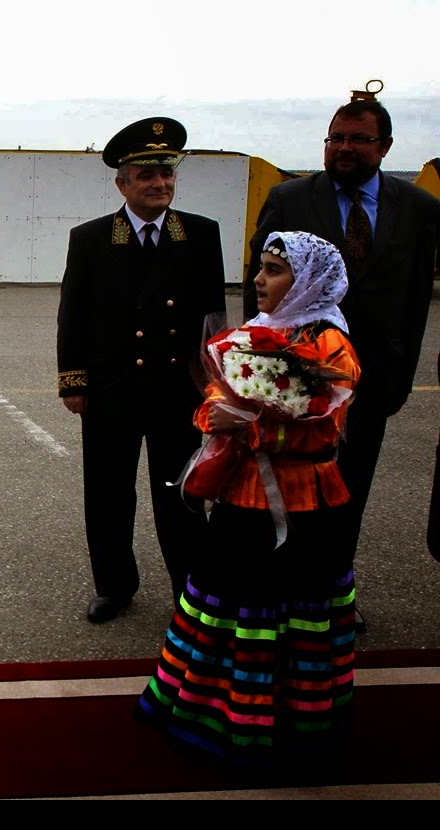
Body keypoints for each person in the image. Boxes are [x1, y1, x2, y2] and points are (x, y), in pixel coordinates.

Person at [138, 231, 361, 777]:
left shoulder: (329, 343)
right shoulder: (257, 333)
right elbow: (218, 396)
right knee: (228, 596)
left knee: (291, 604)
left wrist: (260, 428)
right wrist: (217, 415)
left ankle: (283, 721)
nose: (258, 280)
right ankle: (211, 709)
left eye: (274, 270)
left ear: (308, 281)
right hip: (245, 496)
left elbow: (327, 430)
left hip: (302, 500)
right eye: (259, 268)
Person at [243, 92, 440, 632]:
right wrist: (256, 374)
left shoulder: (419, 209)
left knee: (348, 494)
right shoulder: (289, 197)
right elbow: (257, 288)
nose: (343, 149)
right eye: (335, 138)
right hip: (297, 385)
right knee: (289, 493)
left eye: (358, 139)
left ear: (386, 146)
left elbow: (415, 295)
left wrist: (400, 377)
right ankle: (280, 593)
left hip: (371, 384)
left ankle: (332, 594)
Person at [57, 117, 226, 624]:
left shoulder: (199, 234)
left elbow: (212, 318)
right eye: (147, 176)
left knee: (182, 492)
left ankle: (190, 590)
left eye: (167, 175)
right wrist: (74, 381)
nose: (160, 185)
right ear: (122, 183)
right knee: (108, 493)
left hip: (179, 390)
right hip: (112, 389)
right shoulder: (91, 239)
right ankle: (115, 585)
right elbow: (74, 313)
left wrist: (218, 385)